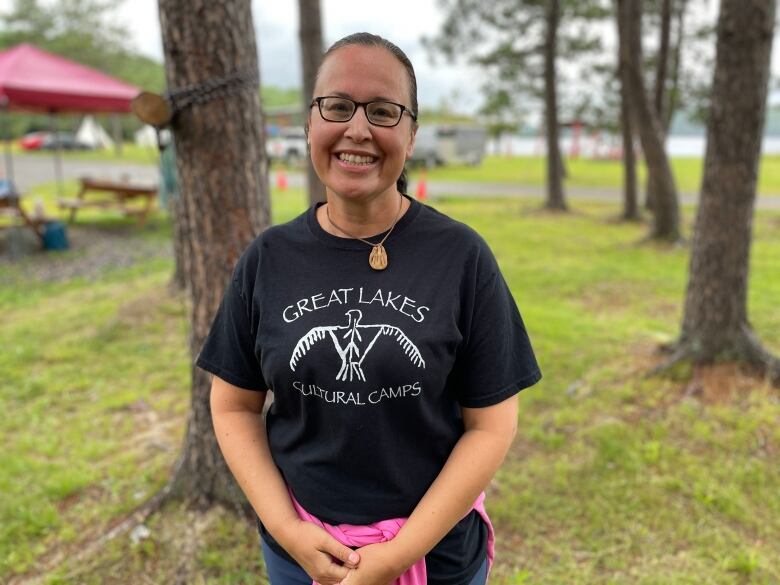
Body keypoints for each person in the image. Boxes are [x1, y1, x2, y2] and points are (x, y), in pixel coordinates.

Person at [196, 32, 542, 585]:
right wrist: (287, 530)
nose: (357, 129)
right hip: (301, 560)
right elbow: (234, 406)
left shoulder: (461, 257)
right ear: (310, 123)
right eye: (337, 106)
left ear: (411, 133)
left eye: (383, 111)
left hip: (438, 558)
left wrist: (400, 552)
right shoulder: (268, 259)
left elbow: (492, 425)